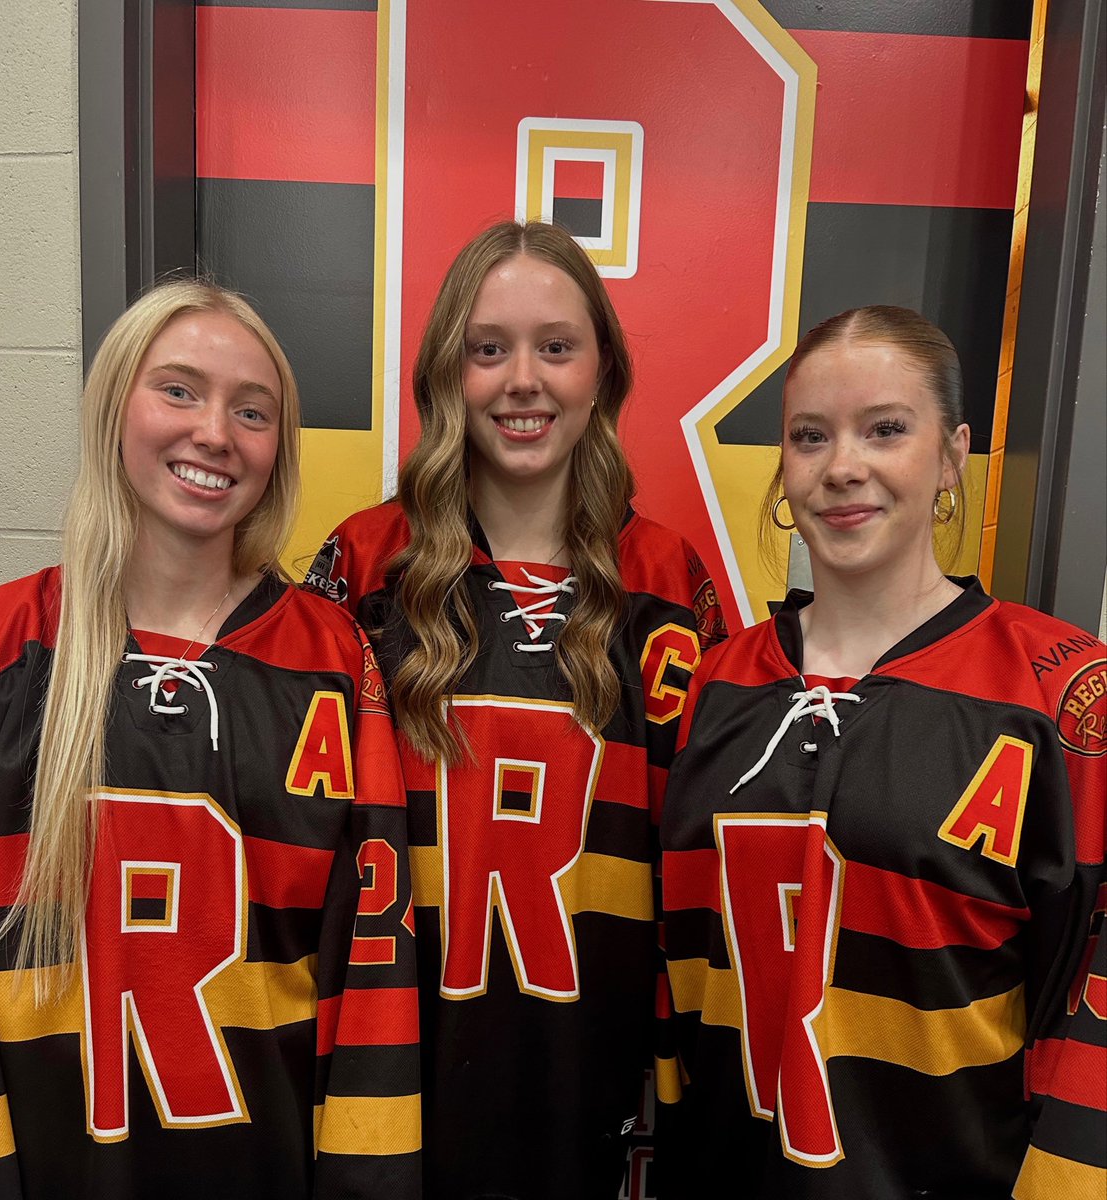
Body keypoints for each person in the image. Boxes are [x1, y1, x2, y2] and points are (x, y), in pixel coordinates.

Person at [0, 281, 420, 1199]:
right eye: (179, 390)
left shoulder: (332, 663)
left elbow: (371, 965)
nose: (215, 433)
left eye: (252, 411)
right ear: (114, 403)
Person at [305, 220, 725, 1199]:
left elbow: (705, 865)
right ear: (445, 372)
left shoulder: (666, 581)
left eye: (555, 346)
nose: (521, 380)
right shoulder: (365, 566)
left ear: (603, 373)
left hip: (593, 1071)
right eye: (487, 349)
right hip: (394, 1065)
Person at [660, 306, 1106, 1198]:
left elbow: (1083, 1006)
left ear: (950, 456)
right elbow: (680, 989)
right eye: (809, 437)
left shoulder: (1056, 692)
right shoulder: (714, 688)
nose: (842, 468)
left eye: (885, 430)